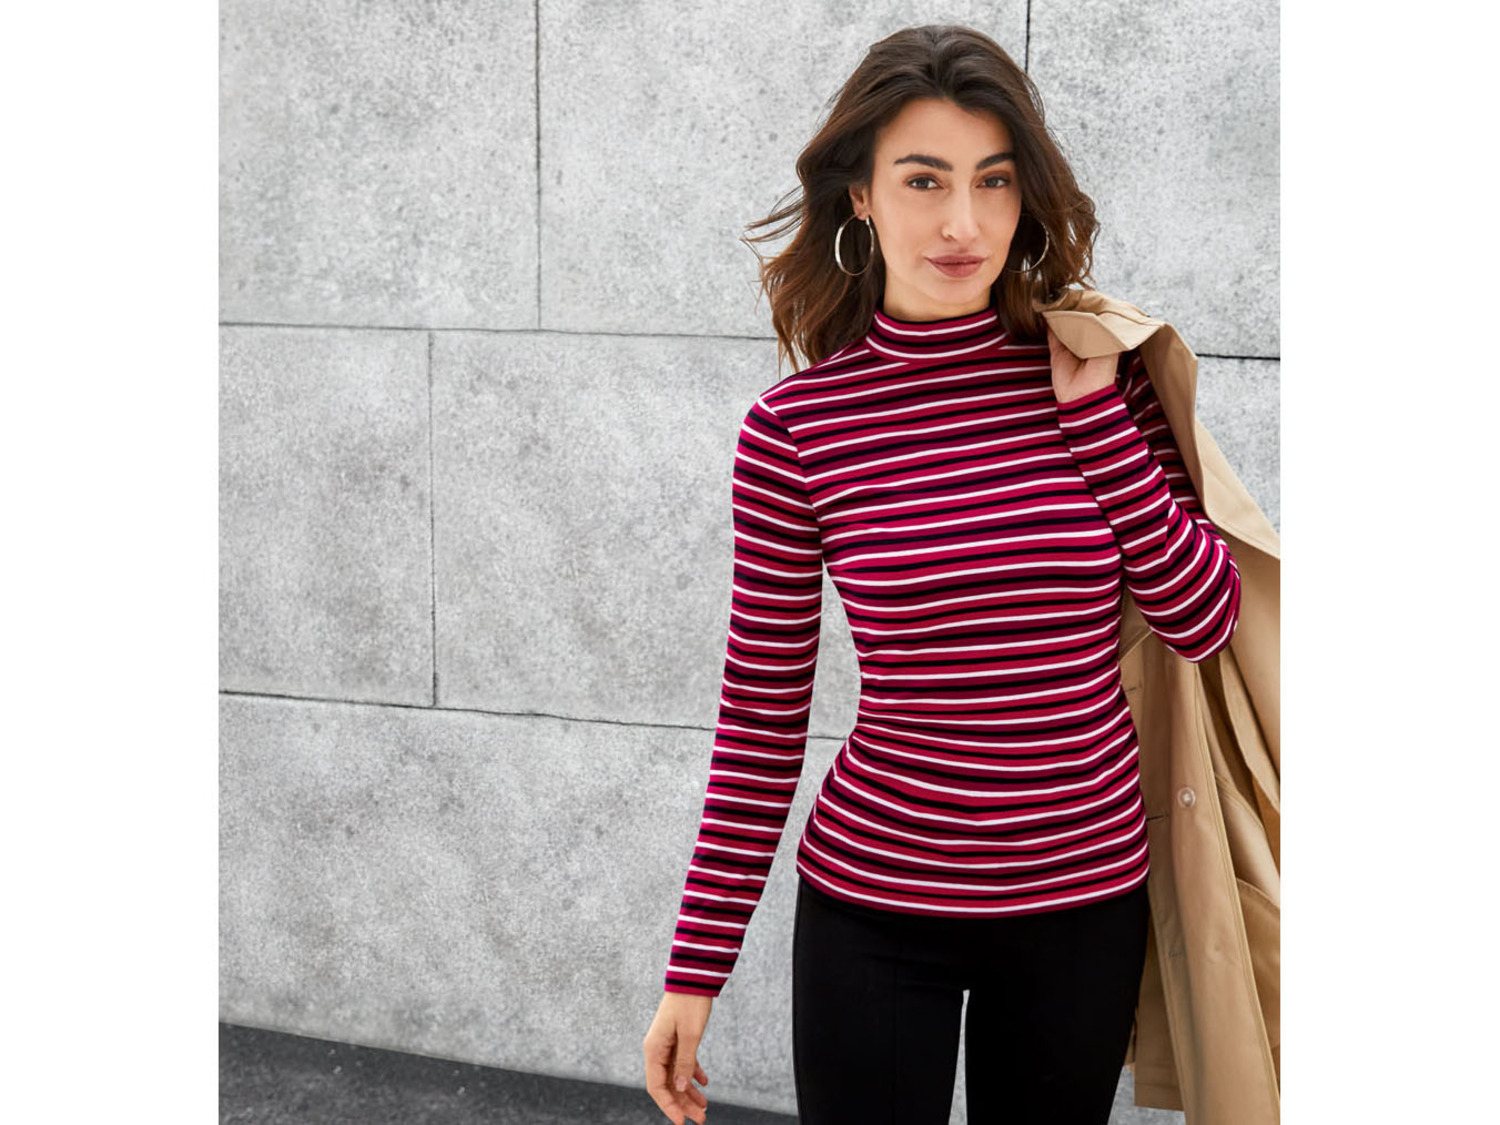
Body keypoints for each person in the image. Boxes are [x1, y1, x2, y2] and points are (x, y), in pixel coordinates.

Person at [642, 23, 1241, 1125]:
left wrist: (1095, 424)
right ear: (861, 197)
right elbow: (762, 716)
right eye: (924, 180)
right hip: (875, 906)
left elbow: (1203, 618)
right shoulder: (796, 429)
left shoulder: (1104, 375)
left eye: (993, 181)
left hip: (1082, 904)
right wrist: (696, 966)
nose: (963, 222)